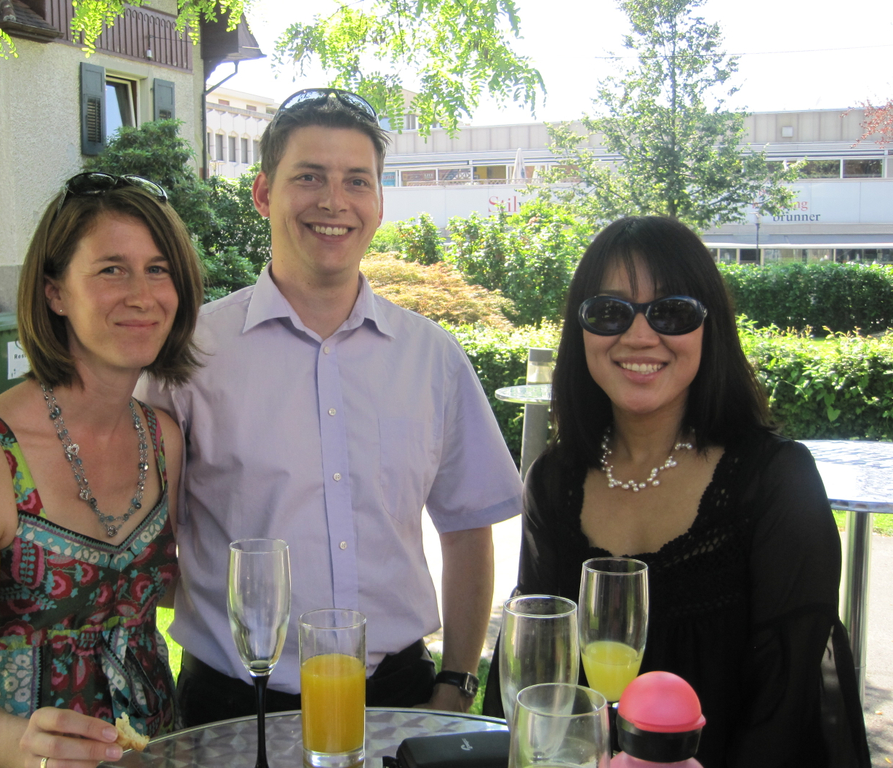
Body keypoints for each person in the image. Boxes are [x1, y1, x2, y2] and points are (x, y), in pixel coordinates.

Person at [135, 88, 523, 724]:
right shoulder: (189, 357)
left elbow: (467, 527)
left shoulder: (432, 358)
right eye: (309, 176)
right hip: (234, 707)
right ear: (264, 193)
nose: (334, 202)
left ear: (378, 203)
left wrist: (456, 682)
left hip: (400, 701)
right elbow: (144, 543)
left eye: (356, 181)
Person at [482, 216, 870, 767]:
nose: (640, 336)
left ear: (710, 327)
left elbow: (789, 706)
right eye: (610, 311)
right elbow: (532, 676)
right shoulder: (553, 481)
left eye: (672, 311)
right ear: (580, 331)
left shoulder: (776, 481)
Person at [0, 172, 204, 768]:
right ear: (55, 293)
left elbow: (162, 588)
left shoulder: (163, 439)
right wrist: (29, 749)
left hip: (154, 750)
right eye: (111, 270)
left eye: (158, 269)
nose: (142, 295)